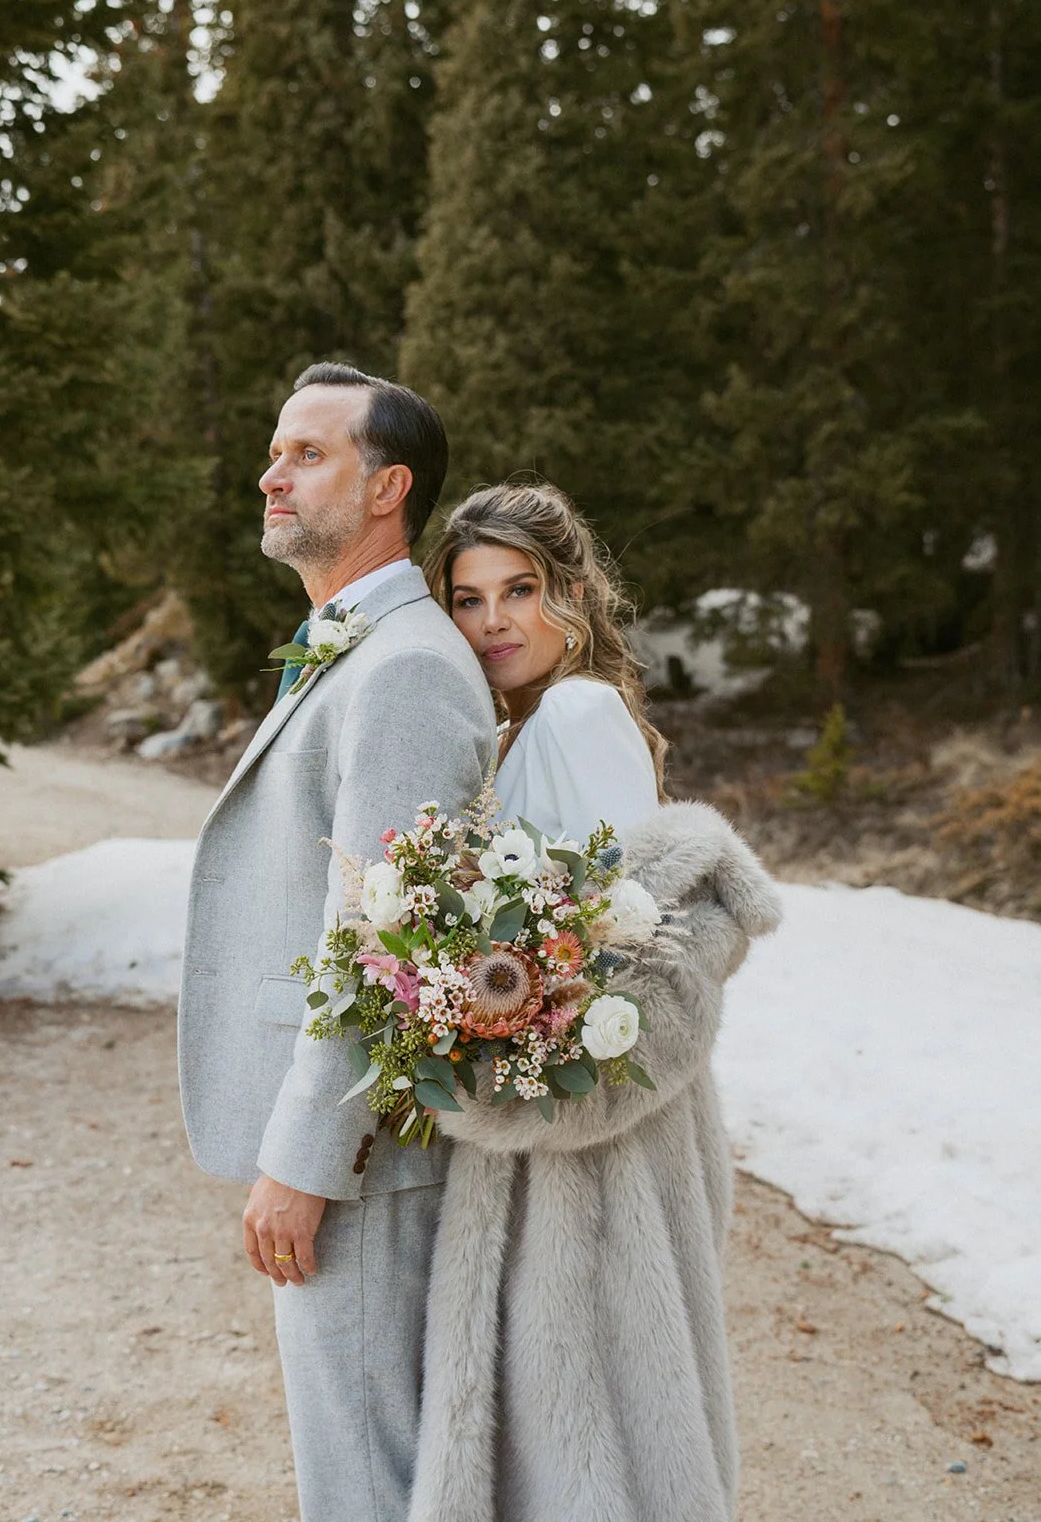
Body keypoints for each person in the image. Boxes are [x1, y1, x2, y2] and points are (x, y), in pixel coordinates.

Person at [412, 482, 783, 1522]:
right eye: (469, 598)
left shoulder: (573, 711)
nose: (493, 621)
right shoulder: (523, 727)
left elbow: (632, 932)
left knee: (591, 1429)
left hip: (597, 1141)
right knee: (588, 1427)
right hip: (580, 1130)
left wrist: (495, 1067)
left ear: (570, 594)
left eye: (519, 589)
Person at [177, 363, 496, 1522]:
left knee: (370, 1479)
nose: (272, 472)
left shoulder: (403, 668)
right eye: (275, 449)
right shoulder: (356, 646)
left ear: (387, 488)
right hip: (354, 1158)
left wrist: (308, 1162)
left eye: (309, 453)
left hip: (364, 1165)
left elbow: (381, 946)